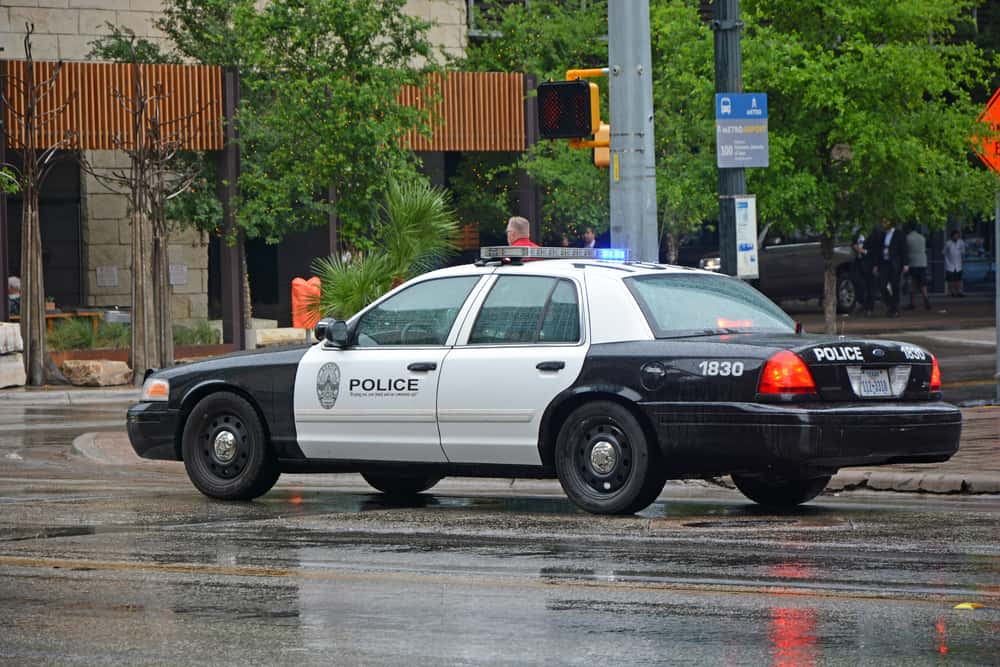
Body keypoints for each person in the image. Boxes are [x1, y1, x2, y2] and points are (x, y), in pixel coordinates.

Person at [866, 219, 907, 317]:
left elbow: (903, 249)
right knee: (882, 285)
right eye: (883, 222)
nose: (883, 224)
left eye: (885, 222)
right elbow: (878, 249)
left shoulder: (899, 234)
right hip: (884, 262)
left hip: (894, 263)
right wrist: (876, 264)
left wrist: (905, 264)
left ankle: (895, 309)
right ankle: (890, 304)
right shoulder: (882, 234)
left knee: (895, 285)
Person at [904, 224, 930, 310]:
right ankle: (926, 299)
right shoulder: (922, 237)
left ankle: (912, 303)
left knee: (913, 283)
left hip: (913, 263)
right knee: (923, 283)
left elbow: (906, 250)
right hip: (923, 262)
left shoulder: (908, 238)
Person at [851, 227, 874, 316]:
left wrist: (863, 251)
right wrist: (855, 247)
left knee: (870, 286)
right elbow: (853, 243)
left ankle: (869, 308)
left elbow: (875, 250)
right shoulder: (857, 233)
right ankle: (861, 302)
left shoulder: (873, 234)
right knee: (856, 281)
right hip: (858, 261)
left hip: (868, 262)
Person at [943, 229, 967, 297]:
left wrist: (962, 261)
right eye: (955, 235)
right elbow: (944, 252)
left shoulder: (961, 242)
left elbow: (963, 252)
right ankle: (952, 292)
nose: (957, 237)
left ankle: (959, 292)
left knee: (959, 279)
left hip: (958, 264)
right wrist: (947, 260)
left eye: (958, 235)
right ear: (952, 236)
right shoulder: (948, 243)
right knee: (950, 280)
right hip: (950, 264)